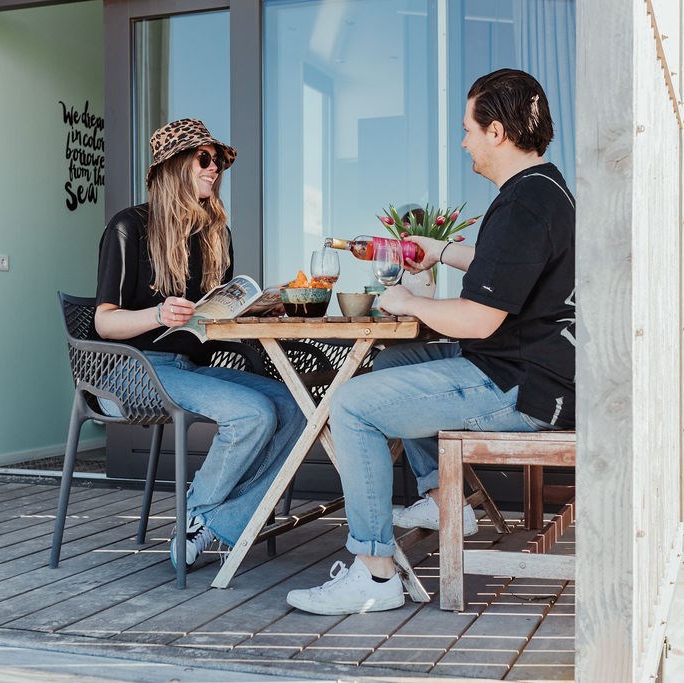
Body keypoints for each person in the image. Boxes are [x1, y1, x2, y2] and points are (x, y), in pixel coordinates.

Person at [286, 69, 576, 615]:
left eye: (469, 128)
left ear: (497, 132)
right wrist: (439, 252)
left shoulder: (524, 204)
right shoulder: (541, 189)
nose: (463, 140)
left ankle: (374, 577)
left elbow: (479, 318)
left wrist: (410, 303)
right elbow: (506, 268)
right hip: (525, 367)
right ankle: (446, 503)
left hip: (520, 385)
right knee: (392, 361)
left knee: (350, 406)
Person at [94, 118, 305, 573]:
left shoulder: (215, 236)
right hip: (134, 369)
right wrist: (157, 315)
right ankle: (196, 520)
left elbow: (218, 312)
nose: (214, 170)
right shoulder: (128, 227)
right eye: (204, 159)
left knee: (301, 409)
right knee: (253, 414)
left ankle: (215, 520)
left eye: (218, 162)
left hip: (190, 366)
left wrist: (259, 308)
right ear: (173, 168)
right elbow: (103, 323)